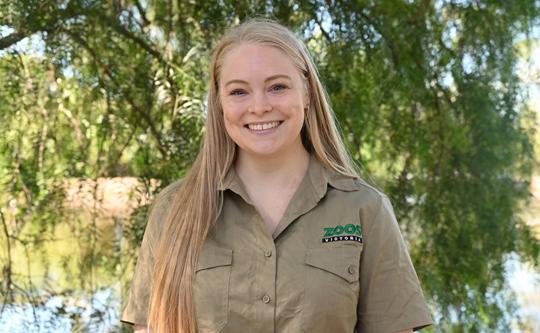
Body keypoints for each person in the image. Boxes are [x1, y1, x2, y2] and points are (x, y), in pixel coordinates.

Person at [121, 18, 433, 333]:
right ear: (219, 104)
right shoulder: (174, 210)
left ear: (308, 94)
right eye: (239, 92)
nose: (259, 106)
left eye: (278, 87)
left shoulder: (365, 209)